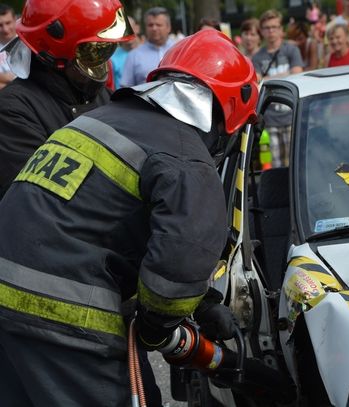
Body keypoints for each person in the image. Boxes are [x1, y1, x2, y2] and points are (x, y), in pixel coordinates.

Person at [0, 29, 258, 407]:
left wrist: (201, 305)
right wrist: (160, 328)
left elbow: (106, 224)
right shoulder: (186, 158)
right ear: (230, 109)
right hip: (60, 314)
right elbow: (180, 260)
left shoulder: (102, 118)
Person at [0, 0, 134, 198]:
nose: (103, 61)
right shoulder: (13, 110)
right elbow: (38, 197)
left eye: (107, 49)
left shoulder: (102, 95)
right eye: (95, 51)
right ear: (53, 53)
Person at [252, 9, 303, 167]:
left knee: (295, 163)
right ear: (262, 31)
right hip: (271, 120)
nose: (271, 31)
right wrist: (284, 74)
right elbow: (258, 83)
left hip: (291, 116)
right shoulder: (258, 57)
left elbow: (297, 75)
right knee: (275, 165)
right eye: (267, 28)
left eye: (274, 27)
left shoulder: (291, 50)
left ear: (281, 30)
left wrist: (269, 79)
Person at [121, 7, 175, 87]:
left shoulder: (179, 51)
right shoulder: (134, 56)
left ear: (168, 27)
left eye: (158, 25)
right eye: (150, 25)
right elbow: (125, 88)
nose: (154, 28)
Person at [111, 16, 142, 90]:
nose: (126, 32)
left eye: (129, 28)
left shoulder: (148, 54)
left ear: (137, 29)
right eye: (123, 29)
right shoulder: (111, 58)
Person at [0, 4, 16, 90]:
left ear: (15, 20)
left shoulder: (28, 43)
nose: (5, 29)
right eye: (0, 25)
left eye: (8, 23)